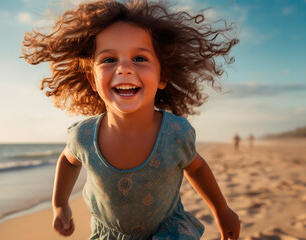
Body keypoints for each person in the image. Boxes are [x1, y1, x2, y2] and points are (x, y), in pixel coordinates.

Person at [22, 0, 240, 239]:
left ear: (162, 76)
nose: (124, 68)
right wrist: (60, 204)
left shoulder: (175, 133)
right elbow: (68, 160)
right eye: (109, 60)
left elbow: (196, 167)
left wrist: (222, 210)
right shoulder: (83, 136)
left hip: (167, 231)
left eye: (139, 58)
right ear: (93, 81)